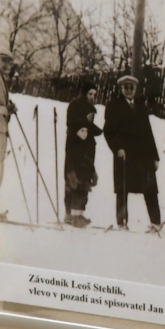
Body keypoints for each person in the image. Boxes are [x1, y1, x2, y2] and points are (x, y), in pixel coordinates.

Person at [104, 75, 162, 232]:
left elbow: (148, 132)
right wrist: (117, 149)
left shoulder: (141, 106)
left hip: (143, 155)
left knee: (150, 188)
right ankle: (122, 222)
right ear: (121, 89)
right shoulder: (113, 105)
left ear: (136, 89)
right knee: (123, 188)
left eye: (132, 87)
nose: (129, 90)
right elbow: (108, 131)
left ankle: (156, 223)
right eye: (126, 87)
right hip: (125, 155)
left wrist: (155, 156)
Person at [64, 82, 103, 224]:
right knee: (74, 183)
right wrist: (81, 127)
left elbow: (90, 127)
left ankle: (79, 214)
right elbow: (71, 123)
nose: (92, 97)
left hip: (87, 151)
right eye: (90, 94)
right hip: (76, 150)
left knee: (84, 186)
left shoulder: (90, 108)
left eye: (94, 94)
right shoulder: (75, 105)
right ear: (84, 93)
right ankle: (71, 215)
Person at [64, 123, 99, 228]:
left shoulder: (87, 145)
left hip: (85, 176)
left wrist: (93, 173)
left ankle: (80, 215)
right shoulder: (73, 145)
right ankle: (74, 217)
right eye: (82, 131)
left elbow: (90, 162)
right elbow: (69, 162)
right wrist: (71, 176)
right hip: (76, 176)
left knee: (84, 196)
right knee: (76, 195)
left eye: (86, 131)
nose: (84, 134)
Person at [0, 51, 17, 188]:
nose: (6, 64)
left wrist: (8, 107)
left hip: (0, 127)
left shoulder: (0, 76)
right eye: (3, 60)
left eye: (8, 61)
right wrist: (6, 109)